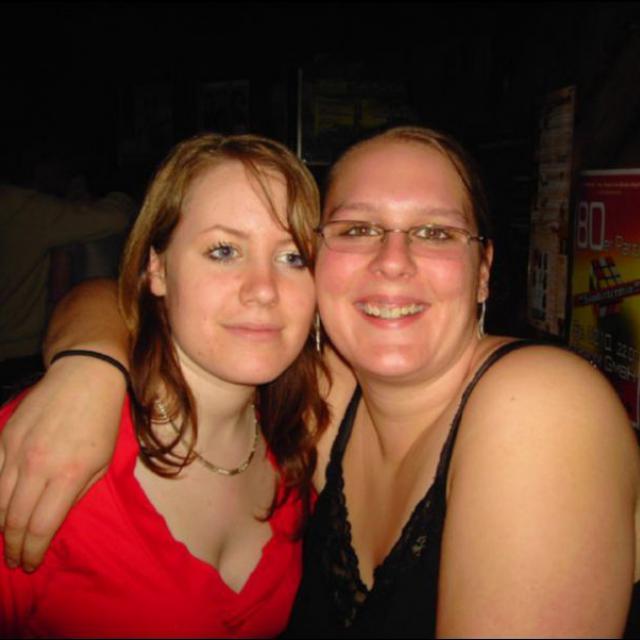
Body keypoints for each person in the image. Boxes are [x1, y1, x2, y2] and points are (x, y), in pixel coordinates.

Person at [2, 126, 640, 637]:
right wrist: (90, 361)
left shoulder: (536, 404)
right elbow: (109, 297)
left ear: (483, 272)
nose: (393, 261)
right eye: (358, 229)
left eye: (435, 232)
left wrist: (88, 359)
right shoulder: (318, 405)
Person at [0, 131, 330, 637]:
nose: (264, 290)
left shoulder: (303, 441)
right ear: (156, 268)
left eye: (293, 257)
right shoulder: (48, 445)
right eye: (224, 250)